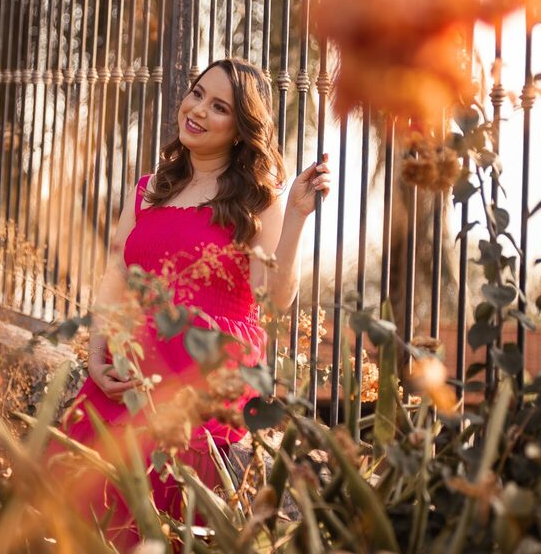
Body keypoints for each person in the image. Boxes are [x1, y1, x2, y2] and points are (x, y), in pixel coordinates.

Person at [46, 58, 332, 550]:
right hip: (127, 377)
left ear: (241, 130)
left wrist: (297, 218)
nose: (197, 110)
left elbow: (274, 298)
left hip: (203, 384)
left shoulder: (260, 201)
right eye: (197, 93)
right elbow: (117, 273)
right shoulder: (149, 189)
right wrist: (95, 354)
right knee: (76, 511)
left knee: (162, 522)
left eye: (219, 107)